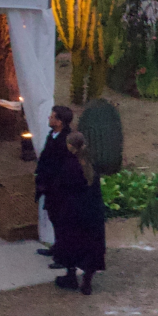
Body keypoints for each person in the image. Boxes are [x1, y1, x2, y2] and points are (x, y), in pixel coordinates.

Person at [51, 131, 106, 295]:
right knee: (91, 246)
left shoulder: (70, 164)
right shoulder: (91, 163)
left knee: (70, 243)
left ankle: (71, 276)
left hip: (73, 211)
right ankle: (87, 282)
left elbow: (61, 187)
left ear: (70, 146)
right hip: (92, 212)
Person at [34, 105, 74, 258]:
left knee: (62, 221)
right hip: (49, 186)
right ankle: (57, 247)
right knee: (54, 217)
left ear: (59, 121)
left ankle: (64, 253)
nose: (49, 118)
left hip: (60, 187)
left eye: (52, 116)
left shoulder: (66, 139)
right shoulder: (52, 135)